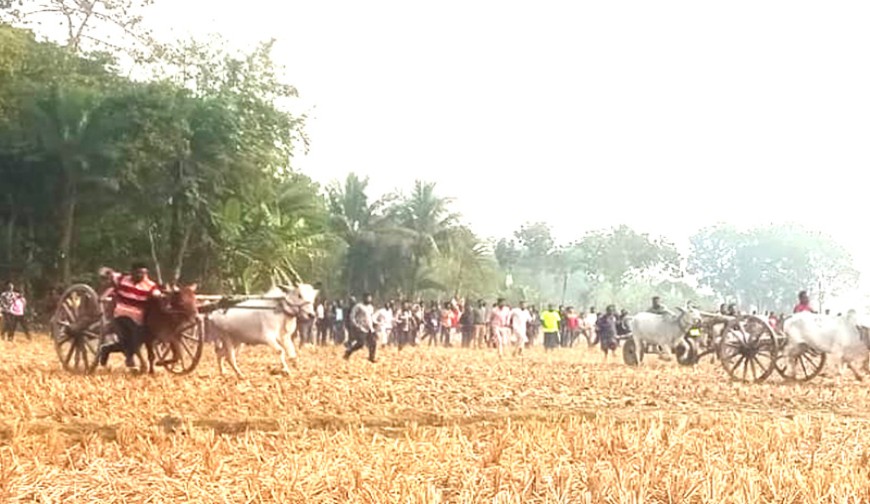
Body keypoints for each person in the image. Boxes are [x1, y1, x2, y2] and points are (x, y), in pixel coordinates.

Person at [97, 263, 161, 369]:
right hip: (120, 315)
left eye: (143, 273)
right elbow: (108, 273)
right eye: (138, 273)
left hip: (137, 318)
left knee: (134, 341)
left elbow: (157, 294)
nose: (141, 275)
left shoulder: (150, 286)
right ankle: (131, 359)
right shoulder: (122, 279)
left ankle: (107, 349)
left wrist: (162, 296)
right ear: (132, 273)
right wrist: (107, 272)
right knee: (128, 338)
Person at [344, 293, 376, 362]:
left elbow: (370, 318)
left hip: (369, 328)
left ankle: (371, 357)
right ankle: (348, 352)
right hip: (361, 328)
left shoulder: (371, 307)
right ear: (364, 298)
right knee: (360, 343)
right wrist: (356, 325)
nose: (369, 299)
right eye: (367, 298)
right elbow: (352, 316)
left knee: (373, 343)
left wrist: (373, 326)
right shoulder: (358, 306)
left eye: (370, 298)